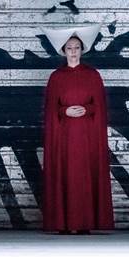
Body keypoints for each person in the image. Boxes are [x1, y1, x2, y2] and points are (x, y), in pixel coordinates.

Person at [40, 22, 113, 233]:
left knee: (84, 175)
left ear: (82, 50)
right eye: (69, 48)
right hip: (64, 136)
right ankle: (64, 223)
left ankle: (84, 223)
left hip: (86, 136)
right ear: (63, 51)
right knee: (65, 174)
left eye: (77, 48)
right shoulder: (56, 77)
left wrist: (86, 109)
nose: (73, 51)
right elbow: (52, 109)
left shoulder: (93, 75)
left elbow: (98, 105)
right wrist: (64, 112)